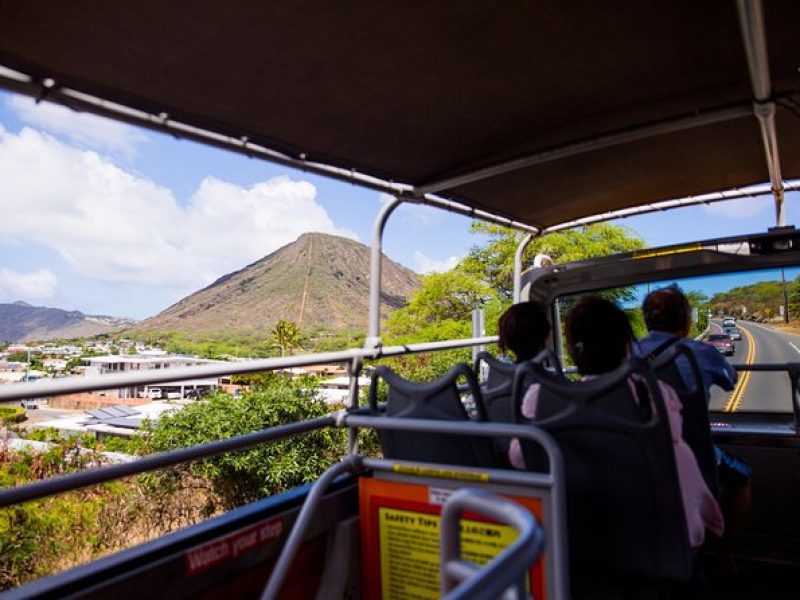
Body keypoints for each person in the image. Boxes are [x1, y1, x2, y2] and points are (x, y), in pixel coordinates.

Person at [509, 296, 724, 547]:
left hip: (572, 544)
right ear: (625, 346)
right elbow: (672, 443)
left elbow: (519, 457)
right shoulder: (654, 395)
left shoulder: (539, 398)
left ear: (570, 350)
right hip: (654, 547)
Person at [639, 286, 751, 571]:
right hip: (694, 454)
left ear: (646, 322)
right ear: (686, 322)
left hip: (638, 454)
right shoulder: (701, 352)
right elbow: (730, 380)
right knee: (741, 478)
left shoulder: (626, 353)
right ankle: (724, 555)